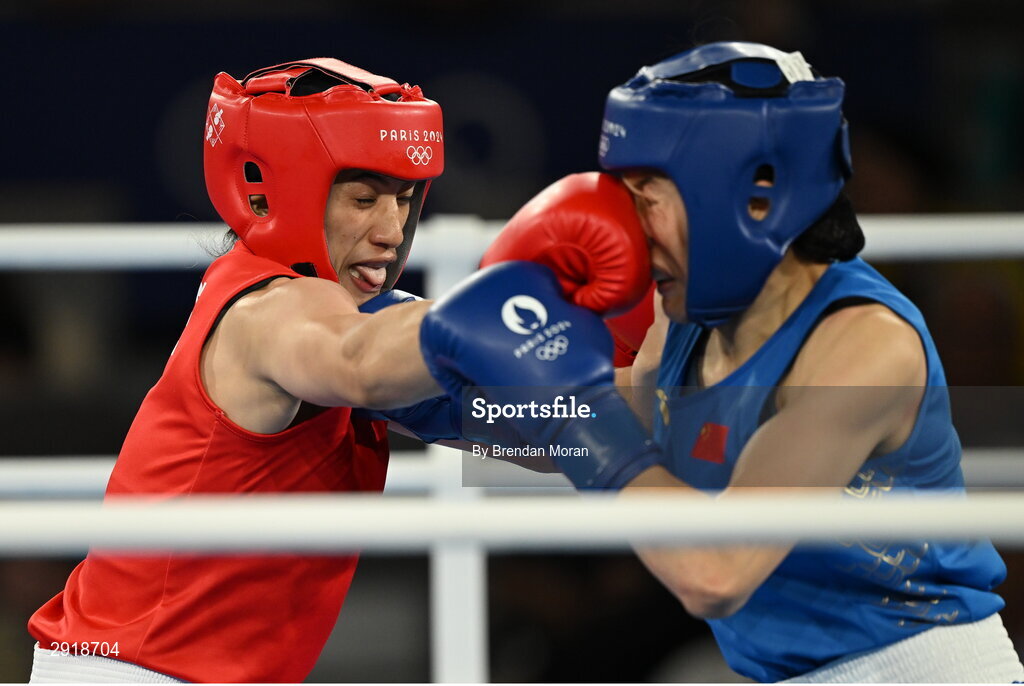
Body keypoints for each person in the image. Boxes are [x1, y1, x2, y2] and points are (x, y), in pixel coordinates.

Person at [418, 43, 1024, 682]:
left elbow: (716, 570)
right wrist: (426, 405)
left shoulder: (863, 346)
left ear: (755, 195)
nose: (629, 227)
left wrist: (577, 415)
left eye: (647, 196)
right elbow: (598, 433)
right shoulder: (683, 324)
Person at [27, 58, 458, 683]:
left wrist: (645, 377)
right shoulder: (271, 310)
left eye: (406, 199)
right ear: (276, 189)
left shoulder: (365, 325)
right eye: (364, 199)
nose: (392, 231)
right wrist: (506, 306)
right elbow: (358, 365)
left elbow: (556, 435)